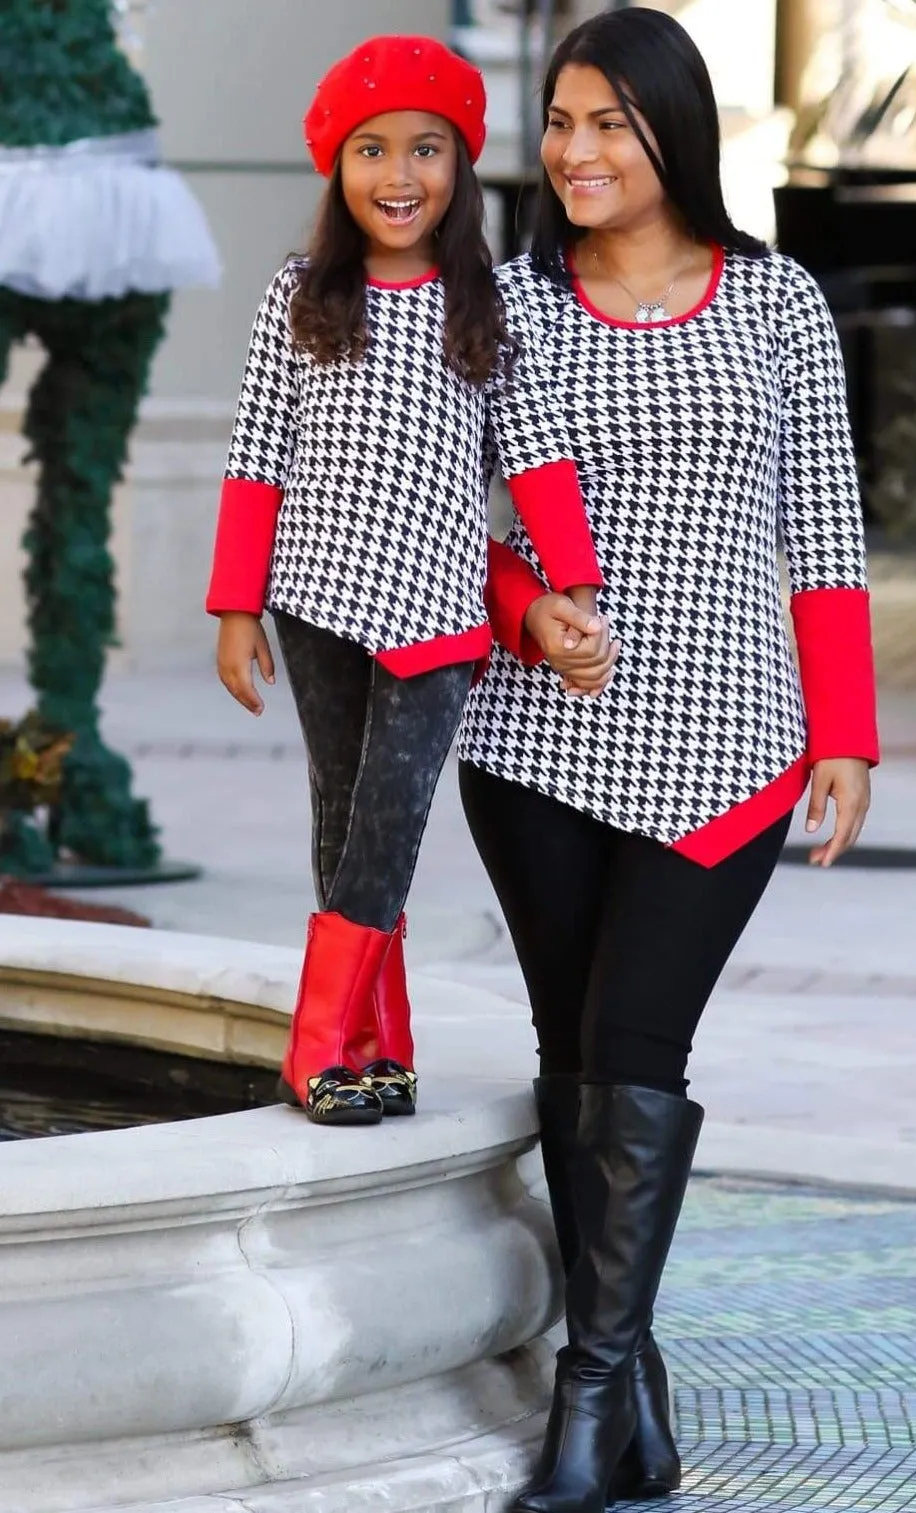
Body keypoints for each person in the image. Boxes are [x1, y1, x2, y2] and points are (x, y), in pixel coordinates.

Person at [459, 9, 879, 1510]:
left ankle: (588, 1395)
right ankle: (623, 1384)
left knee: (636, 1049)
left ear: (672, 135)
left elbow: (822, 530)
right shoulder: (504, 302)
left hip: (732, 749)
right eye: (560, 122)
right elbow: (468, 530)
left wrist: (849, 734)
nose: (572, 151)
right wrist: (529, 610)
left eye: (606, 125)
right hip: (533, 750)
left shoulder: (778, 307)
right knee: (574, 1061)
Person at [205, 35, 603, 1127]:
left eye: (425, 150)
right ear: (338, 168)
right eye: (372, 150)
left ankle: (318, 1047)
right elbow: (255, 454)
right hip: (318, 600)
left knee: (389, 824)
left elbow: (535, 452)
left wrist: (572, 584)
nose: (399, 176)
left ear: (459, 167)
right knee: (340, 822)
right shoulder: (301, 293)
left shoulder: (490, 303)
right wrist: (237, 607)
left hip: (436, 617)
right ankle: (379, 1044)